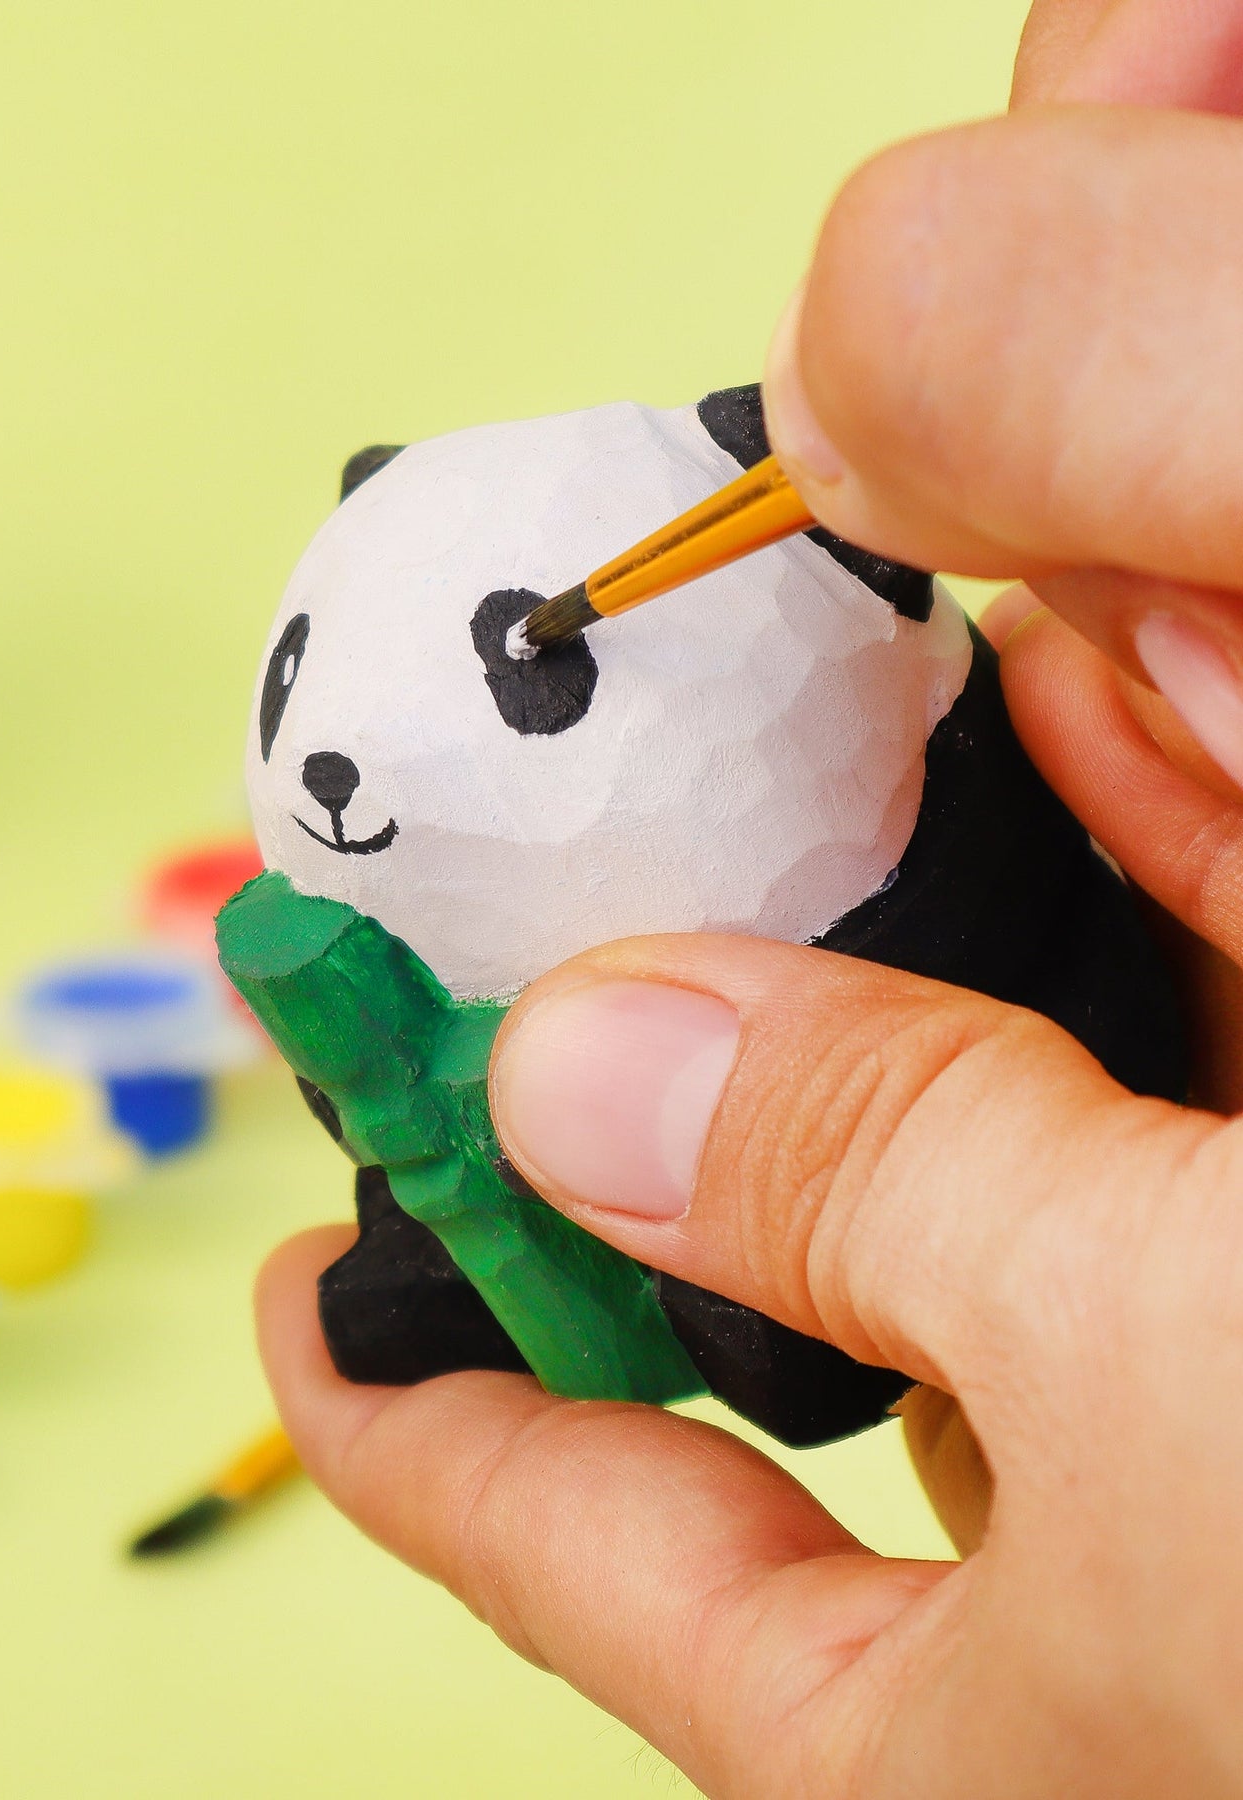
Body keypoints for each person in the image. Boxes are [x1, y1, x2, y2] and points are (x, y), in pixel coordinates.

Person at [252, 3, 1243, 1792]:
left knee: (822, 1318)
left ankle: (773, 1313)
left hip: (983, 1060)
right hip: (528, 1135)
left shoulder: (935, 751)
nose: (322, 763)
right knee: (416, 1251)